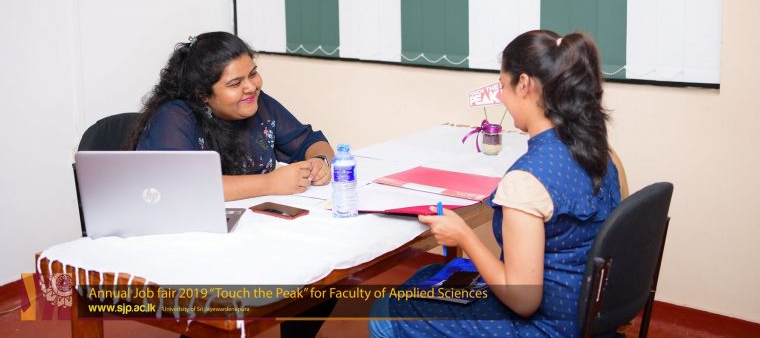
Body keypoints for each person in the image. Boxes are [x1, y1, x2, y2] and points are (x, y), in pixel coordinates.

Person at [369, 30, 621, 337]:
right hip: (587, 314)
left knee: (387, 312)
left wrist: (463, 235)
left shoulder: (526, 181)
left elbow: (524, 301)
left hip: (547, 327)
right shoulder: (600, 152)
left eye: (503, 85)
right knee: (429, 275)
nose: (500, 96)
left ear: (524, 84)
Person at [126, 31, 334, 201]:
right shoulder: (175, 117)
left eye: (253, 74)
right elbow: (180, 185)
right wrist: (270, 183)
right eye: (235, 83)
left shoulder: (257, 103)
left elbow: (310, 141)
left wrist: (320, 162)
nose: (251, 87)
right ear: (202, 94)